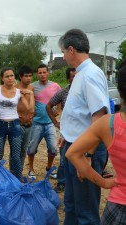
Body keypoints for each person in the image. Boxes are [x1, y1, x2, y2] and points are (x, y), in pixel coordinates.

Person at [58, 29, 110, 225]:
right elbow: (80, 113)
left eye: (63, 52)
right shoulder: (80, 74)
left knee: (86, 213)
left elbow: (100, 116)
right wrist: (66, 134)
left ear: (71, 50)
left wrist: (87, 156)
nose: (63, 57)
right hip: (73, 146)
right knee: (71, 204)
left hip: (85, 151)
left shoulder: (90, 75)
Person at [65, 62, 126, 225]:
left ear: (119, 92)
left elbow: (72, 153)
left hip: (119, 207)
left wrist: (104, 182)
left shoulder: (109, 124)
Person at [0, 67, 29, 181]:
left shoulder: (19, 92)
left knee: (16, 155)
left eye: (12, 76)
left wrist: (30, 94)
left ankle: (17, 179)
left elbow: (29, 108)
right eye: (7, 76)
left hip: (15, 125)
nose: (10, 78)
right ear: (2, 78)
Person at [27, 64, 61, 180]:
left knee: (53, 148)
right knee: (32, 148)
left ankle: (49, 168)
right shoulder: (32, 87)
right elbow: (25, 100)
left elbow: (61, 98)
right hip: (36, 123)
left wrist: (57, 109)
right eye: (40, 73)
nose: (42, 75)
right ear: (37, 74)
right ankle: (31, 169)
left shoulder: (55, 86)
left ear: (48, 73)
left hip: (50, 123)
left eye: (44, 72)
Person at [46, 67, 76, 193]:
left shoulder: (87, 92)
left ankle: (75, 183)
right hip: (66, 132)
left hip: (83, 133)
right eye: (73, 77)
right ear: (68, 79)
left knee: (79, 158)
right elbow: (48, 106)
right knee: (64, 158)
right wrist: (55, 122)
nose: (76, 79)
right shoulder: (63, 93)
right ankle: (62, 182)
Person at [15, 65, 35, 172]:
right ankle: (15, 173)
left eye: (30, 76)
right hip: (18, 124)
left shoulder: (31, 88)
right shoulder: (15, 88)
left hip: (29, 124)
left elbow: (32, 105)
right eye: (26, 76)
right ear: (20, 77)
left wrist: (32, 115)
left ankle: (19, 173)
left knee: (23, 150)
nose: (28, 78)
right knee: (16, 150)